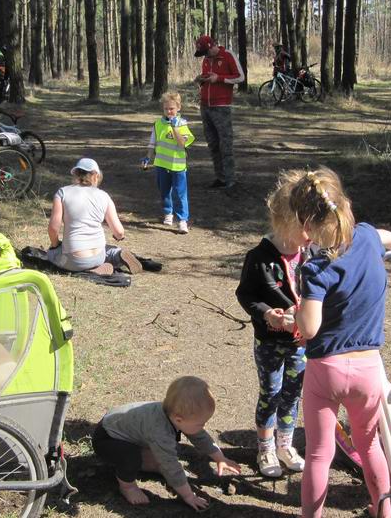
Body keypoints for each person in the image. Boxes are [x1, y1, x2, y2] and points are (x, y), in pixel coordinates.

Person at [291, 167, 391, 518]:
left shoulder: (317, 269)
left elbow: (309, 327)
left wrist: (295, 312)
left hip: (327, 370)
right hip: (368, 368)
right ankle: (385, 511)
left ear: (306, 226)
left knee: (319, 455)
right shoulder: (367, 236)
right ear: (345, 205)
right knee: (370, 446)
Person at [235, 170, 308, 478]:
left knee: (293, 394)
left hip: (301, 342)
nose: (311, 235)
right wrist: (266, 312)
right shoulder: (259, 257)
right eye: (305, 228)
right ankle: (265, 449)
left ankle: (285, 444)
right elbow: (245, 294)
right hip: (269, 341)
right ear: (284, 224)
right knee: (271, 392)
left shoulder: (312, 255)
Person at [92, 375, 241, 509]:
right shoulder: (161, 432)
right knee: (132, 459)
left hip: (125, 432)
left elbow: (199, 436)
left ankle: (150, 462)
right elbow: (171, 466)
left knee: (162, 453)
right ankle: (127, 486)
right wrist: (189, 496)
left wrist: (220, 458)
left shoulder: (175, 414)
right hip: (107, 439)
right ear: (178, 419)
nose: (203, 427)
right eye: (201, 424)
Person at [47, 158, 142, 275]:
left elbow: (53, 228)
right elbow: (119, 232)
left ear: (76, 175)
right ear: (96, 175)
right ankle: (115, 256)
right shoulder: (104, 196)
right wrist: (118, 237)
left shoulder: (63, 193)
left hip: (74, 259)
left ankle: (89, 269)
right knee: (104, 249)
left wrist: (55, 245)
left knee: (51, 254)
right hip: (99, 256)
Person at [193, 34, 244, 190]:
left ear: (212, 46)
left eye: (206, 52)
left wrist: (219, 79)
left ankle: (230, 179)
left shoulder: (228, 55)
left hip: (221, 107)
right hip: (205, 106)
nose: (205, 56)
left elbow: (240, 77)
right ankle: (220, 177)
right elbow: (208, 80)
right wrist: (201, 79)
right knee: (213, 144)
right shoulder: (206, 60)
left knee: (225, 144)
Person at [144, 91, 194, 234]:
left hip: (178, 166)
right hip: (161, 164)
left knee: (180, 193)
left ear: (178, 108)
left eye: (171, 108)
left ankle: (182, 220)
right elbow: (152, 143)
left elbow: (182, 143)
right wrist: (148, 157)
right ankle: (168, 213)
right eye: (166, 109)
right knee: (164, 191)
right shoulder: (158, 124)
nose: (169, 111)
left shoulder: (182, 124)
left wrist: (175, 128)